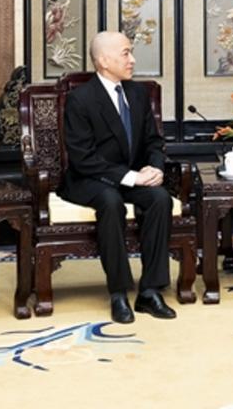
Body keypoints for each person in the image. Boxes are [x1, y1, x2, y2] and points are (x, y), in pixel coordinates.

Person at [59, 31, 176, 323]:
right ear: (103, 61)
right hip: (89, 179)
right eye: (126, 53)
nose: (133, 60)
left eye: (131, 52)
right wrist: (130, 177)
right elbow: (83, 159)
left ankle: (150, 291)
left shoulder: (137, 93)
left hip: (131, 176)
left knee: (160, 199)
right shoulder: (80, 100)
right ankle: (119, 292)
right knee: (110, 202)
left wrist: (156, 167)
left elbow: (154, 142)